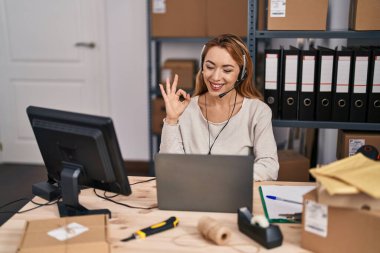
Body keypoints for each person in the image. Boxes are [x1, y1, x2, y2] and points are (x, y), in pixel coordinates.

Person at [158, 34, 279, 181]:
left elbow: (269, 167)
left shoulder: (258, 111)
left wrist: (223, 177)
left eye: (227, 70)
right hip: (191, 195)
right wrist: (171, 119)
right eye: (209, 67)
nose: (215, 77)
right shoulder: (185, 108)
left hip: (234, 192)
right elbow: (170, 167)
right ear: (202, 68)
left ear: (241, 73)